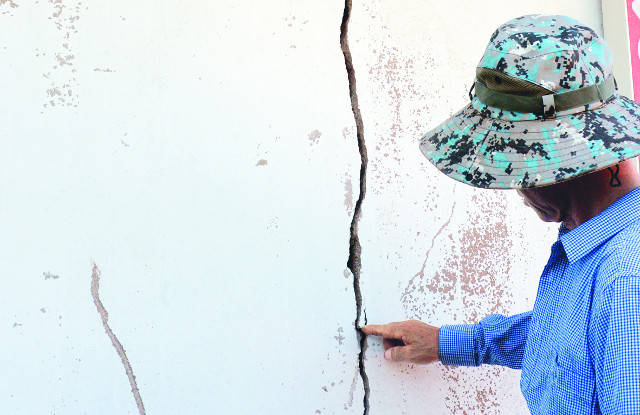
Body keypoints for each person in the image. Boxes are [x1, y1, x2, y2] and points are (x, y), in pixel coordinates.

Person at [362, 14, 640, 414]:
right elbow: (573, 340)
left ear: (582, 162)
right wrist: (451, 343)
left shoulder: (627, 278)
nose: (517, 188)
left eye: (520, 168)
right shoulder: (600, 252)